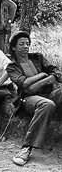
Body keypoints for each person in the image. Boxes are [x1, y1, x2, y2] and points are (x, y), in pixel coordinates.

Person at [6, 31, 62, 166]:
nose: (26, 46)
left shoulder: (38, 57)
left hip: (48, 93)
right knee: (47, 104)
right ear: (13, 47)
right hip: (28, 99)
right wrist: (43, 74)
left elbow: (57, 73)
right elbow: (23, 84)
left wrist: (40, 82)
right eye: (21, 44)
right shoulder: (12, 66)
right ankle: (26, 148)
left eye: (27, 43)